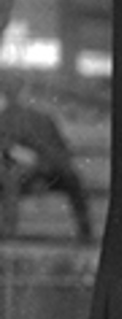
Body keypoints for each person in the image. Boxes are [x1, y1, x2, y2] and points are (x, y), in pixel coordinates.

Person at [0, 82, 94, 244]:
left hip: (37, 169)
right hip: (47, 169)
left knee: (11, 178)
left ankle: (8, 233)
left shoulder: (14, 117)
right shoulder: (38, 117)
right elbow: (62, 149)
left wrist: (30, 157)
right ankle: (86, 231)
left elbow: (10, 148)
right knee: (70, 179)